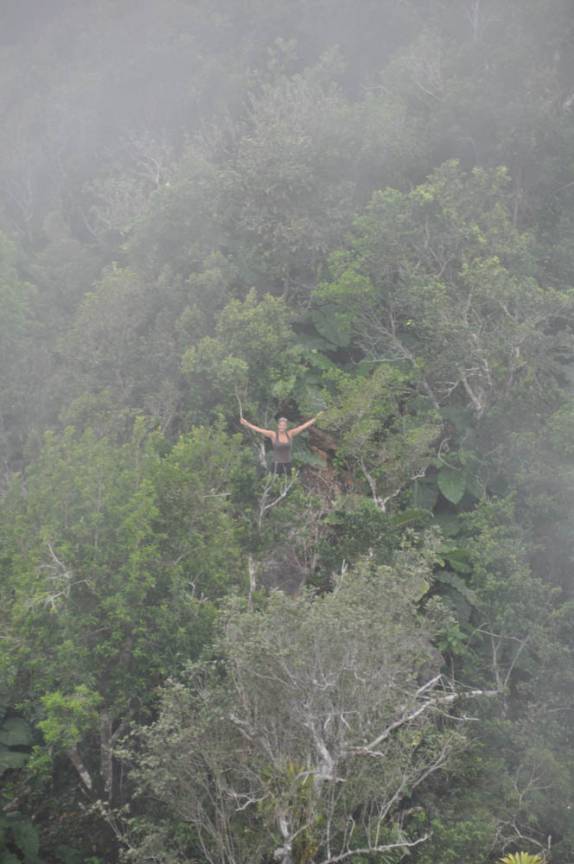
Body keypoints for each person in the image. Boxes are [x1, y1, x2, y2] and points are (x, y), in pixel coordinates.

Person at [240, 414, 320, 476]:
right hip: (276, 465)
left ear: (286, 426)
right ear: (278, 426)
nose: (282, 426)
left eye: (284, 425)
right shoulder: (273, 435)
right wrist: (247, 423)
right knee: (275, 486)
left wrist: (316, 418)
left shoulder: (290, 434)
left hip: (288, 464)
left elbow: (302, 427)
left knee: (287, 486)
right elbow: (259, 430)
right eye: (280, 425)